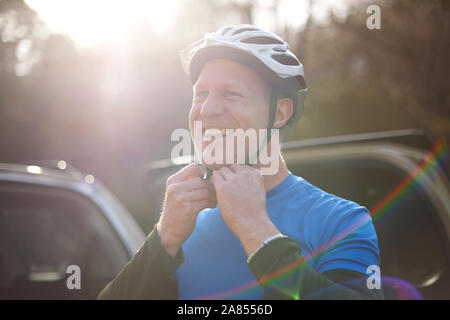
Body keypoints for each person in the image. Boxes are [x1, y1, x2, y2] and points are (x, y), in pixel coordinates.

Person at [97, 24, 384, 300]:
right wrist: (163, 239)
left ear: (279, 113)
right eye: (201, 94)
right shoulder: (184, 219)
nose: (207, 110)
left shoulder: (342, 221)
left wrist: (256, 230)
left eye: (231, 94)